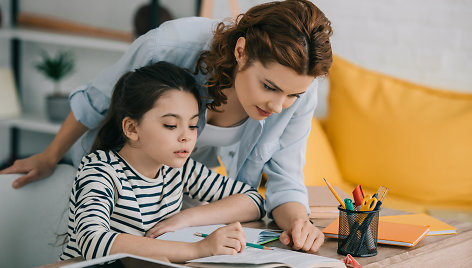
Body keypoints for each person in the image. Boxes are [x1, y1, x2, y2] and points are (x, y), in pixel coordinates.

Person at [2, 0, 333, 253]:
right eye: (270, 87)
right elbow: (96, 102)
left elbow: (272, 188)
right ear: (241, 52)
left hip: (166, 211)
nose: (277, 107)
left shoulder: (180, 166)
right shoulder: (101, 172)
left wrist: (298, 224)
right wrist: (49, 156)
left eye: (293, 95)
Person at [60, 61, 264, 261]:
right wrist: (198, 249)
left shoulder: (179, 169)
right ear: (132, 128)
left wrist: (186, 217)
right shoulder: (101, 169)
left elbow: (253, 200)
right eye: (170, 125)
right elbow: (93, 242)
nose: (187, 136)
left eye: (193, 125)